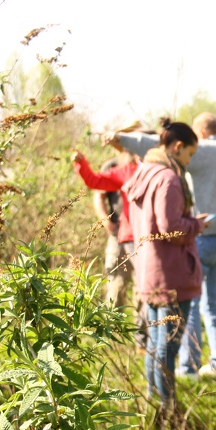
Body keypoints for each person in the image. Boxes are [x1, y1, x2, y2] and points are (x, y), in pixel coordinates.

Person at [122, 119, 209, 430]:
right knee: (167, 349)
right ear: (177, 147)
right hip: (172, 275)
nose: (189, 161)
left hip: (151, 271)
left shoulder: (143, 173)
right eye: (189, 154)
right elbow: (171, 228)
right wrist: (197, 224)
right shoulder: (168, 179)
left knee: (156, 346)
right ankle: (168, 414)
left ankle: (154, 408)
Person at [176, 112, 216, 379]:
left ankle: (189, 366)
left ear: (199, 133)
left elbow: (159, 145)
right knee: (210, 302)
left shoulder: (206, 151)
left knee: (190, 302)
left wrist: (123, 139)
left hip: (203, 238)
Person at [71, 144, 146, 348]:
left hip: (149, 239)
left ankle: (143, 340)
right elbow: (96, 182)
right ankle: (112, 337)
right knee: (117, 284)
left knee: (144, 289)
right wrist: (81, 163)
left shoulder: (155, 168)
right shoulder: (123, 168)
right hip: (126, 235)